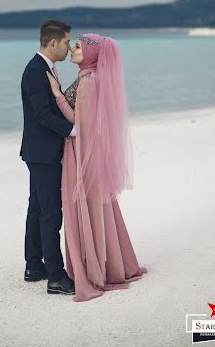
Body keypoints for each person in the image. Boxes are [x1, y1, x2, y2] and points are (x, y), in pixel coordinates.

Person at [46, 33, 148, 302]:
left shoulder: (89, 81)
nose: (72, 50)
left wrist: (57, 95)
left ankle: (96, 269)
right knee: (97, 208)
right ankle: (109, 264)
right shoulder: (87, 76)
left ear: (91, 53)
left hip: (81, 153)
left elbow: (80, 124)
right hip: (85, 151)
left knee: (87, 207)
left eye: (77, 47)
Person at [20, 19, 76, 295]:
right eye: (67, 42)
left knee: (38, 208)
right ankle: (55, 276)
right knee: (51, 213)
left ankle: (34, 265)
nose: (68, 47)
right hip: (43, 153)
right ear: (53, 42)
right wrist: (73, 129)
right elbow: (42, 115)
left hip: (39, 150)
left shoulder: (43, 68)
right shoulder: (35, 70)